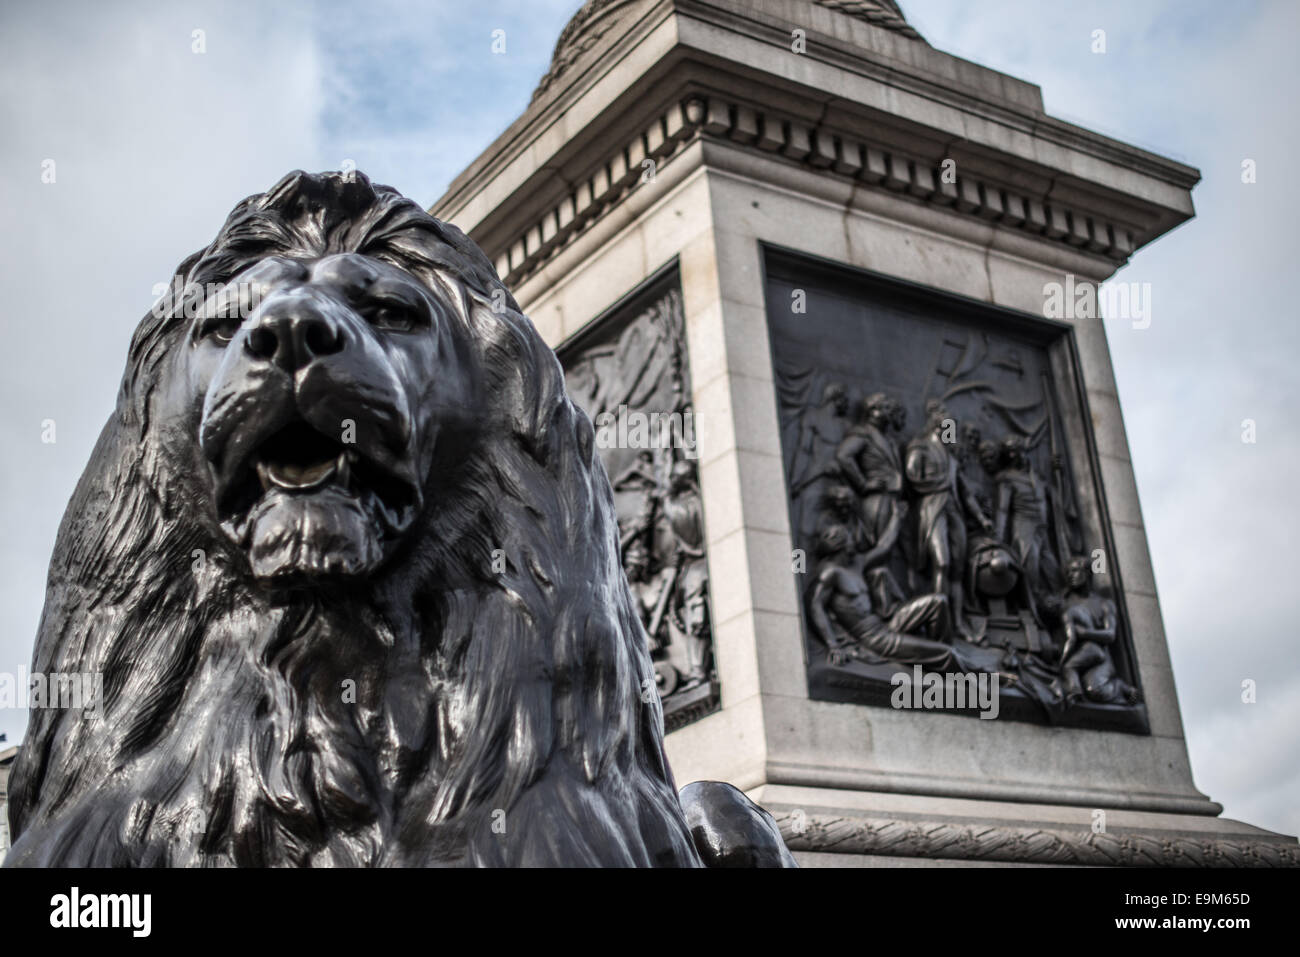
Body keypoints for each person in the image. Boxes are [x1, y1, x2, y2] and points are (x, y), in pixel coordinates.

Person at [806, 523, 956, 668]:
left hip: (884, 623)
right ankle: (964, 676)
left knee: (938, 602)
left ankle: (938, 662)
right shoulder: (830, 573)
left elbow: (884, 547)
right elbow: (814, 604)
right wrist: (833, 645)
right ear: (841, 545)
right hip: (874, 637)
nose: (854, 541)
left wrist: (897, 517)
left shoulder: (856, 564)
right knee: (946, 654)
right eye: (850, 538)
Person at [904, 400, 991, 640]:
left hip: (955, 512)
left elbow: (965, 494)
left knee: (957, 570)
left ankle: (957, 623)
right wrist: (938, 486)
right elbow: (912, 478)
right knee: (941, 563)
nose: (949, 429)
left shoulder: (952, 460)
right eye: (945, 423)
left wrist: (982, 519)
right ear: (934, 423)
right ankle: (938, 621)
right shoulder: (919, 447)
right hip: (933, 507)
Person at [1057, 556, 1139, 705]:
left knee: (1095, 691)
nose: (1071, 576)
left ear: (1088, 572)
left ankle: (1121, 687)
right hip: (1078, 654)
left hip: (1101, 659)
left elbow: (1110, 634)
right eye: (1068, 572)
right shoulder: (1066, 604)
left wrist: (1085, 633)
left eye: (1075, 571)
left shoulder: (1104, 604)